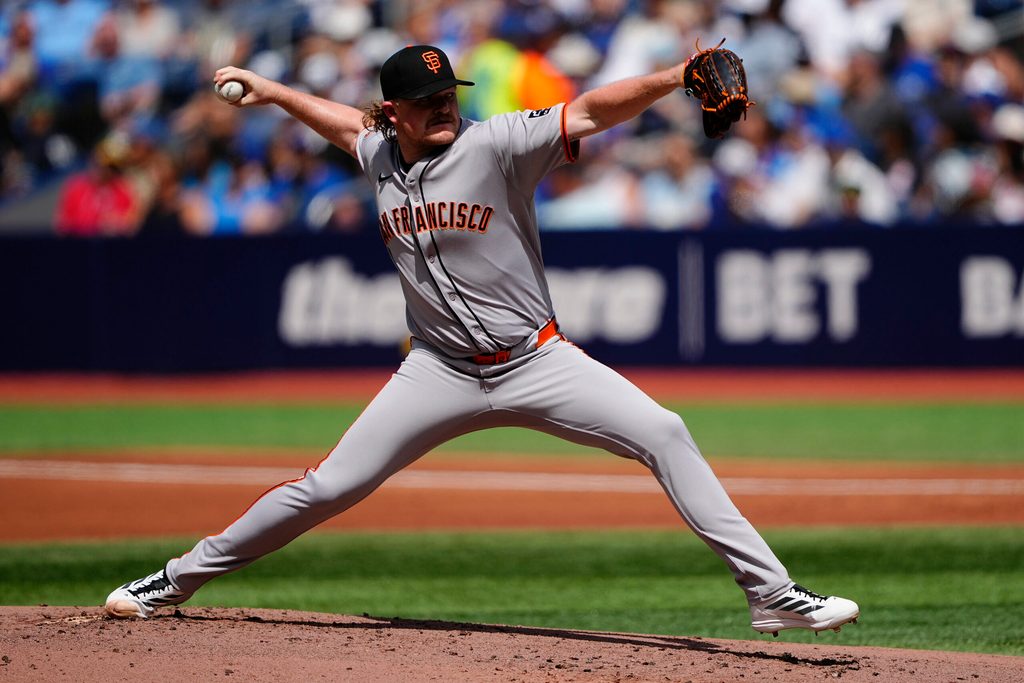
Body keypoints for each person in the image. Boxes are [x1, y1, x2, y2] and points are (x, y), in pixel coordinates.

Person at [104, 44, 860, 637]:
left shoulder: (497, 144)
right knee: (328, 486)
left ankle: (771, 593)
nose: (443, 108)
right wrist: (271, 92)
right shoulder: (377, 153)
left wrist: (675, 75)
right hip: (435, 372)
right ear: (392, 111)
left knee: (664, 431)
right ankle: (175, 578)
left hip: (537, 359)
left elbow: (590, 111)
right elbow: (337, 121)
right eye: (427, 101)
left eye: (448, 95)